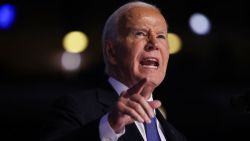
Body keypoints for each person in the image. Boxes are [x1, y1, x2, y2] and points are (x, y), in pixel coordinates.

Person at [40, 1, 187, 141]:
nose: (154, 44)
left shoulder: (176, 136)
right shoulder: (75, 109)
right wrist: (109, 126)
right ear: (111, 52)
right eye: (140, 34)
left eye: (161, 36)